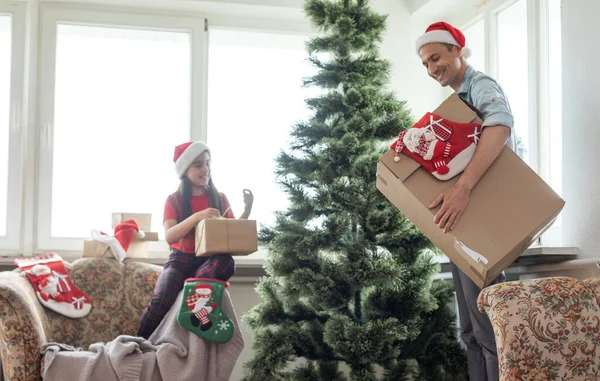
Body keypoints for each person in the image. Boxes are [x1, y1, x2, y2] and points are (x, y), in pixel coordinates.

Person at [415, 21, 517, 381]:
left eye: (436, 58)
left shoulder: (481, 86)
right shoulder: (457, 100)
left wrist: (462, 189)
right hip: (464, 222)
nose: (431, 69)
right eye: (425, 63)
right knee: (471, 332)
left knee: (488, 332)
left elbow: (501, 126)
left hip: (484, 220)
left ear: (458, 50)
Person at [136, 141, 253, 339]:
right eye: (198, 165)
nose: (205, 169)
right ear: (185, 171)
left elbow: (232, 233)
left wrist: (247, 209)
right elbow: (170, 235)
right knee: (161, 298)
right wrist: (198, 217)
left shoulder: (220, 198)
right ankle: (138, 341)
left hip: (208, 261)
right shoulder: (173, 200)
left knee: (227, 262)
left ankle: (195, 301)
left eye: (207, 163)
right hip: (180, 260)